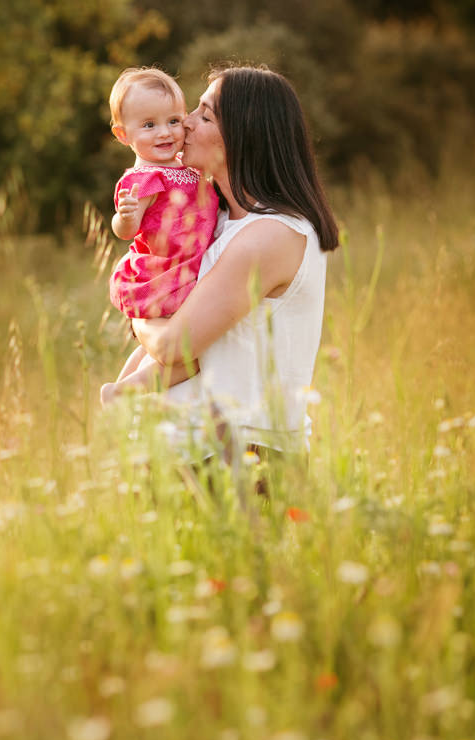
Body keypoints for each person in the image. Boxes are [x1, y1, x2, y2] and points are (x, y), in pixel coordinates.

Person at [118, 65, 340, 463]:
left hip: (239, 457)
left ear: (240, 137)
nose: (183, 124)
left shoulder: (270, 235)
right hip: (190, 453)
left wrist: (133, 308)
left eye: (203, 115)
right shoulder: (216, 223)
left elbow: (174, 345)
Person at [99, 68, 220, 408]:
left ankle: (122, 392)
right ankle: (121, 394)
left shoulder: (185, 166)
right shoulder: (143, 179)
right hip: (169, 274)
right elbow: (126, 231)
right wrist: (124, 217)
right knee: (191, 354)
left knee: (153, 349)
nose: (164, 133)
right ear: (123, 134)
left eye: (174, 121)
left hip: (188, 267)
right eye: (149, 125)